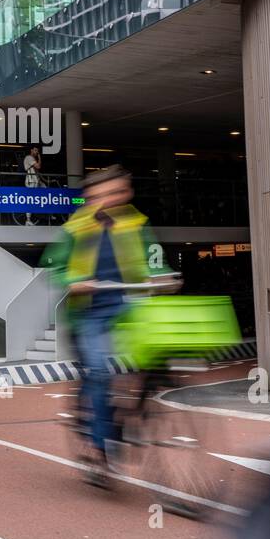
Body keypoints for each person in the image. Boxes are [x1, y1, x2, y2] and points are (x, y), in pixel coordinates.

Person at [42, 165, 170, 481]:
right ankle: (100, 447)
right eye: (108, 193)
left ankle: (136, 411)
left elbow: (155, 260)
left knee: (160, 355)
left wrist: (164, 275)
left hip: (129, 309)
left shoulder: (137, 225)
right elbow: (52, 267)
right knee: (98, 371)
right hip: (90, 313)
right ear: (91, 197)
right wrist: (75, 281)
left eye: (121, 192)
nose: (116, 199)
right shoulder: (75, 230)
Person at [22, 146, 41, 225]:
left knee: (46, 191)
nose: (37, 152)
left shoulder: (32, 159)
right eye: (35, 150)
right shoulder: (29, 158)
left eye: (37, 151)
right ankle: (28, 219)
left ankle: (50, 213)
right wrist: (40, 158)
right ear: (31, 150)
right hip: (31, 182)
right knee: (30, 200)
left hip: (36, 181)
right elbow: (38, 166)